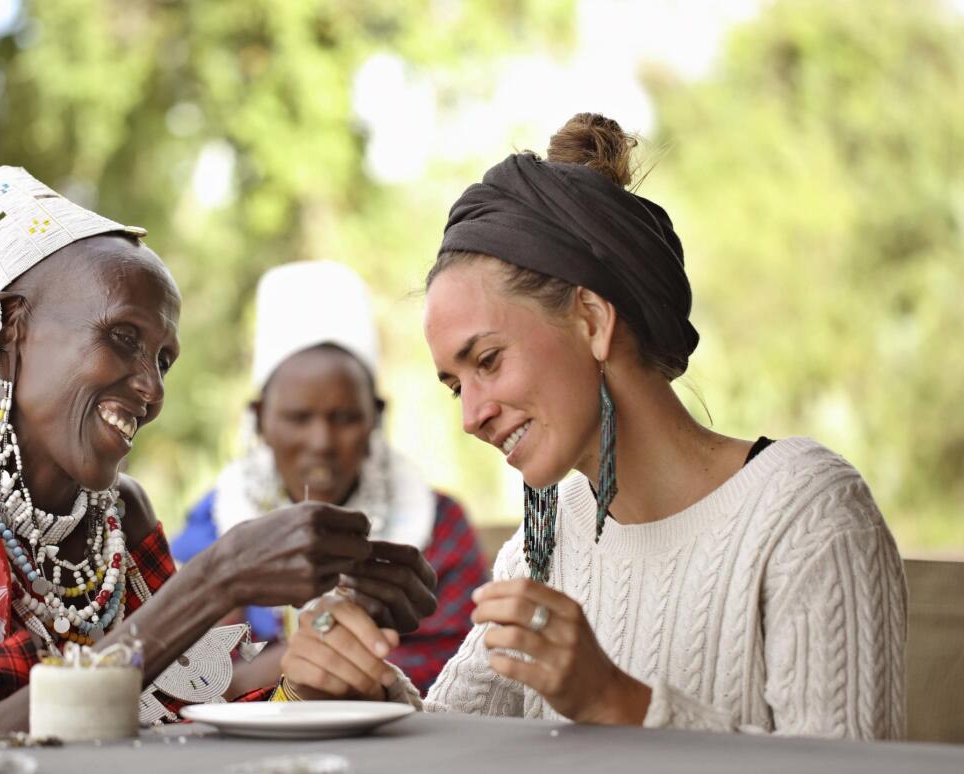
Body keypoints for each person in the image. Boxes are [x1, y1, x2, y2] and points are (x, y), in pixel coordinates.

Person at [277, 113, 907, 739]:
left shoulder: (806, 516)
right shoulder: (543, 542)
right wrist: (359, 685)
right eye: (455, 386)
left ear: (592, 322)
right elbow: (454, 740)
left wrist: (614, 699)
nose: (471, 416)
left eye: (488, 361)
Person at [0, 167, 435, 736]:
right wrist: (215, 579)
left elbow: (196, 703)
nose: (152, 390)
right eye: (122, 337)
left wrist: (317, 657)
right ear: (9, 330)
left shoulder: (119, 517)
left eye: (162, 359)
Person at [172, 261, 488, 693]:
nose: (321, 441)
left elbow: (464, 675)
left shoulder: (437, 526)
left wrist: (293, 660)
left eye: (344, 418)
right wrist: (305, 656)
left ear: (376, 418)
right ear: (260, 419)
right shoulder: (216, 527)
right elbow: (191, 681)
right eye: (298, 418)